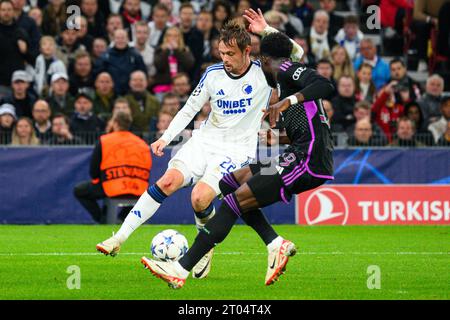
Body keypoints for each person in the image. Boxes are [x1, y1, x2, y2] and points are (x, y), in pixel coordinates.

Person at [96, 11, 305, 282]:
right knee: (168, 181)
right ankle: (119, 238)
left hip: (237, 150)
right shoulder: (212, 74)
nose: (225, 59)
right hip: (204, 141)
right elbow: (189, 109)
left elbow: (297, 54)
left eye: (230, 54)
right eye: (221, 53)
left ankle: (204, 248)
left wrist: (266, 30)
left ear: (246, 50)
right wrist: (165, 138)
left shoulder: (264, 73)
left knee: (200, 197)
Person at [141, 30, 335, 289]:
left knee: (234, 202)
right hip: (297, 153)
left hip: (307, 162)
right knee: (230, 183)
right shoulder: (280, 78)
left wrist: (287, 102)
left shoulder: (288, 69)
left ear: (266, 60)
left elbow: (326, 85)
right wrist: (278, 139)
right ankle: (275, 244)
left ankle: (180, 269)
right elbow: (305, 127)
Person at [74, 111, 152, 223]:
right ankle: (121, 218)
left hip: (111, 186)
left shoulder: (105, 140)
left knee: (79, 191)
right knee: (139, 197)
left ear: (115, 123)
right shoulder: (142, 144)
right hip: (138, 188)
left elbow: (93, 171)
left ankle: (103, 219)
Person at [93, 29, 147, 95]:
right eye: (118, 38)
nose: (120, 40)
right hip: (111, 93)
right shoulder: (106, 56)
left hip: (131, 93)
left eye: (123, 38)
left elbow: (143, 73)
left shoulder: (135, 55)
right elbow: (98, 75)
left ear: (127, 39)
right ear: (113, 39)